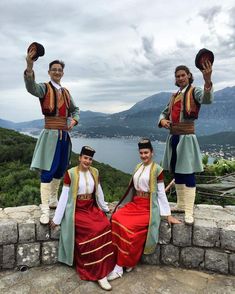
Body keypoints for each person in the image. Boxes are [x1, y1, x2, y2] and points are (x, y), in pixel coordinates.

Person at [107, 139, 181, 281]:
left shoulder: (157, 170)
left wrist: (167, 215)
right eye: (141, 153)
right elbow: (132, 190)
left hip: (147, 207)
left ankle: (119, 267)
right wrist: (120, 205)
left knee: (128, 227)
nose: (144, 155)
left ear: (152, 153)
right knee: (116, 217)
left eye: (146, 152)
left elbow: (160, 193)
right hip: (135, 204)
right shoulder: (138, 167)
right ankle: (124, 261)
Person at [24, 46, 80, 224]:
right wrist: (29, 65)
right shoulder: (44, 88)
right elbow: (31, 87)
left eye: (60, 70)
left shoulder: (66, 92)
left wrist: (74, 120)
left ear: (62, 73)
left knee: (60, 168)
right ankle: (44, 208)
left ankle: (54, 199)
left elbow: (75, 110)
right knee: (48, 170)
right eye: (54, 69)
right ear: (49, 72)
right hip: (50, 136)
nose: (57, 72)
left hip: (64, 136)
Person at [50, 146, 115, 291]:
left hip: (91, 208)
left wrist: (104, 208)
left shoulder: (95, 172)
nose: (88, 161)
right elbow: (64, 197)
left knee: (105, 223)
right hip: (77, 210)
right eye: (85, 158)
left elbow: (99, 192)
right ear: (80, 158)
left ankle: (105, 268)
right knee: (94, 230)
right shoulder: (70, 173)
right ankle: (98, 274)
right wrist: (57, 219)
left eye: (90, 159)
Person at [158, 61, 213, 224]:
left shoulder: (194, 91)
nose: (180, 78)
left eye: (183, 75)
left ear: (189, 76)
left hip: (187, 138)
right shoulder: (174, 95)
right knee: (178, 172)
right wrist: (162, 121)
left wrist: (208, 81)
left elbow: (207, 99)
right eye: (178, 76)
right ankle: (181, 204)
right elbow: (163, 113)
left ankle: (189, 211)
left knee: (188, 173)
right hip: (174, 137)